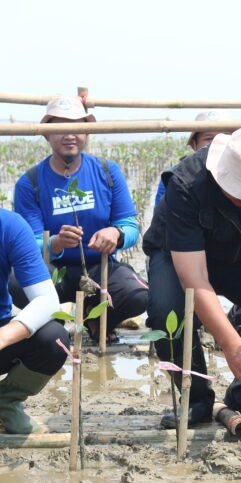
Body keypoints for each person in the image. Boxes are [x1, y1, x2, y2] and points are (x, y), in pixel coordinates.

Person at [142, 126, 241, 427]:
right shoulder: (188, 182)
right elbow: (195, 277)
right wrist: (231, 344)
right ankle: (197, 398)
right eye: (240, 190)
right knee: (167, 310)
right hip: (182, 256)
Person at [12, 96, 148, 342]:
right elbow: (27, 244)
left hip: (100, 268)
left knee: (138, 294)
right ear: (46, 134)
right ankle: (52, 328)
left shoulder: (107, 171)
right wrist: (55, 243)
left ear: (87, 133)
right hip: (54, 271)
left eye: (77, 127)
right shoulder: (29, 183)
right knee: (14, 284)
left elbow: (130, 227)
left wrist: (116, 234)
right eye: (60, 128)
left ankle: (96, 320)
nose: (70, 135)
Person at [0, 208, 71, 434]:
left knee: (53, 340)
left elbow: (47, 301)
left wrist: (4, 336)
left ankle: (6, 402)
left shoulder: (9, 226)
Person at [154, 110, 231, 206]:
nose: (218, 142)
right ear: (194, 144)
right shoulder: (174, 177)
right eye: (209, 138)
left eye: (225, 136)